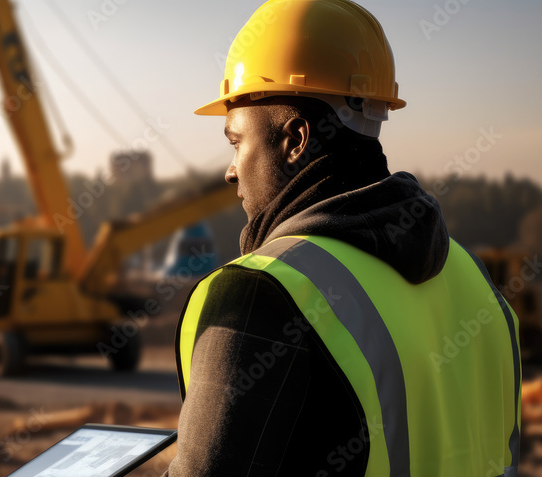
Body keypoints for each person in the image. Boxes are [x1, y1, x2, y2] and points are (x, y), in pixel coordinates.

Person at [167, 1, 521, 475]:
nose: (231, 171)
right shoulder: (474, 278)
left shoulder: (260, 294)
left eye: (236, 142)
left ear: (295, 139)